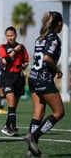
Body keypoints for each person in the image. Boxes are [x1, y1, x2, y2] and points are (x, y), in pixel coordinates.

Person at [25, 11, 65, 157]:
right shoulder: (53, 38)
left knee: (38, 114)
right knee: (59, 112)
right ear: (59, 23)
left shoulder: (40, 37)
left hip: (33, 77)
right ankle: (34, 137)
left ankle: (31, 150)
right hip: (43, 79)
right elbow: (47, 58)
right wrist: (58, 70)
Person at [0, 26, 29, 137]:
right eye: (8, 36)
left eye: (11, 35)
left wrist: (23, 65)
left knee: (14, 106)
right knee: (11, 102)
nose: (10, 38)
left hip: (19, 77)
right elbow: (4, 61)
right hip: (7, 77)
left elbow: (26, 62)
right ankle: (14, 129)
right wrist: (15, 51)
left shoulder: (22, 47)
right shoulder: (2, 47)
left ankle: (6, 126)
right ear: (5, 36)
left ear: (16, 35)